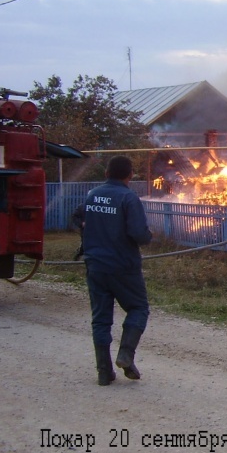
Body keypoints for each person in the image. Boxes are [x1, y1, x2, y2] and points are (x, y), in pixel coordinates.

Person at [82, 155, 152, 386]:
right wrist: (148, 236)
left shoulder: (92, 195)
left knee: (100, 320)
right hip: (123, 267)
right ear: (130, 175)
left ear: (106, 173)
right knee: (138, 308)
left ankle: (104, 372)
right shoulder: (128, 198)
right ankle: (126, 354)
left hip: (95, 266)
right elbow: (139, 234)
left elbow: (79, 219)